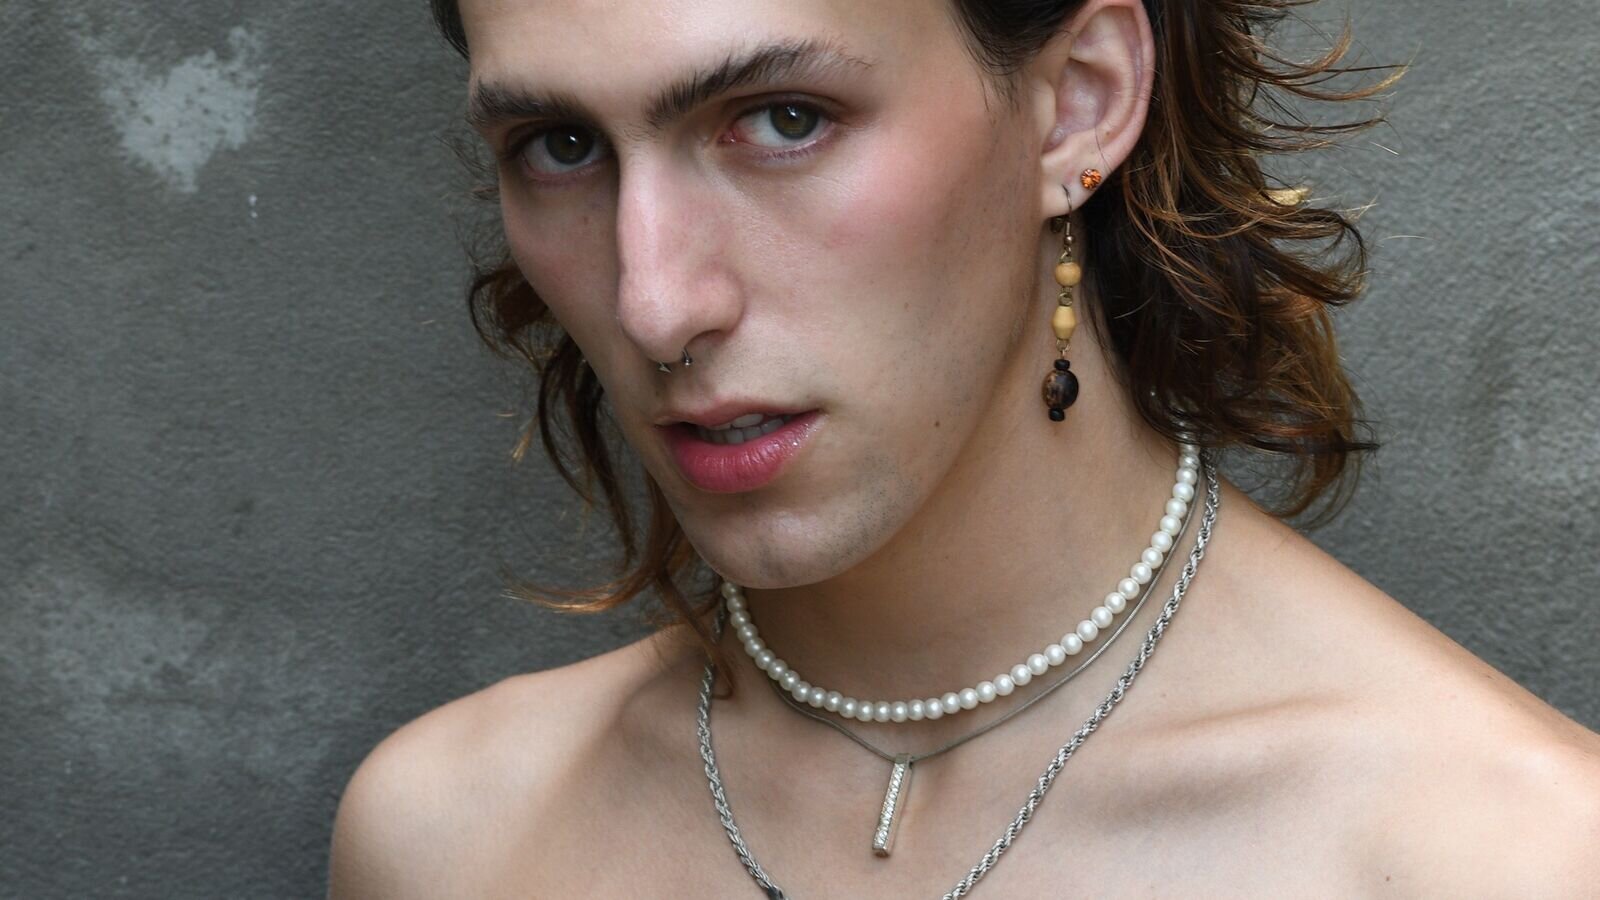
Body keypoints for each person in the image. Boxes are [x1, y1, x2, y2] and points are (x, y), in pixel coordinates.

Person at [327, 0, 1600, 895]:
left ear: (1076, 104)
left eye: (782, 119)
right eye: (558, 148)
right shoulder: (455, 839)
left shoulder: (1504, 855)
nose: (653, 302)